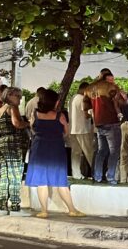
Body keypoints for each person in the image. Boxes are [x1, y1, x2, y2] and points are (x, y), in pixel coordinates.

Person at [26, 88, 85, 218]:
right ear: (55, 102)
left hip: (39, 148)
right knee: (60, 181)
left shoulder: (35, 114)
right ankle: (72, 209)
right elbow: (66, 132)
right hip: (55, 148)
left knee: (42, 182)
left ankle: (44, 211)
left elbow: (32, 128)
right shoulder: (60, 116)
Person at [86, 70, 126, 184]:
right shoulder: (110, 87)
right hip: (111, 121)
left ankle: (97, 176)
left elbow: (86, 107)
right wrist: (122, 95)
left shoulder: (90, 88)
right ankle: (111, 176)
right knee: (114, 151)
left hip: (99, 123)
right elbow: (122, 102)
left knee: (101, 151)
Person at [0, 87, 31, 216]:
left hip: (2, 142)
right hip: (14, 143)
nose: (20, 99)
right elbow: (16, 123)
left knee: (4, 175)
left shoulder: (0, 110)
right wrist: (27, 123)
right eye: (18, 96)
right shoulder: (12, 107)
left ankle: (2, 206)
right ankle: (15, 206)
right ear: (10, 95)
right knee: (15, 175)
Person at [69, 81, 95, 179]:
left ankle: (76, 174)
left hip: (73, 128)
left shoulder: (72, 98)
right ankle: (96, 172)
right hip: (83, 129)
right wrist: (92, 114)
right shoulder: (82, 99)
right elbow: (86, 115)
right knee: (89, 152)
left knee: (75, 153)